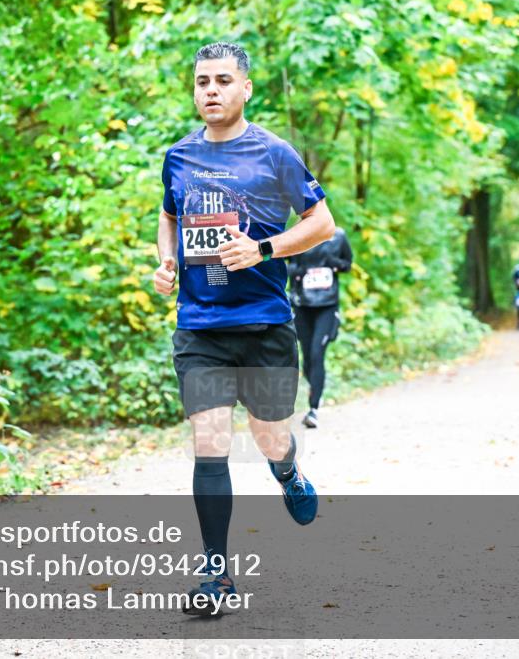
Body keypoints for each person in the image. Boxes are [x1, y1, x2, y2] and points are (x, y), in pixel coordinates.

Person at [153, 42, 336, 616]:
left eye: (223, 81)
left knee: (268, 437)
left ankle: (288, 470)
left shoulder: (275, 154)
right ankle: (215, 576)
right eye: (202, 80)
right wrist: (165, 262)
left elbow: (322, 224)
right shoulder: (178, 157)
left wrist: (262, 249)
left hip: (264, 325)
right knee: (210, 444)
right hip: (201, 327)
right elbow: (169, 216)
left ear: (245, 89)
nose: (211, 90)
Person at [286, 226, 353, 428]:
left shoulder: (338, 236)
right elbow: (287, 266)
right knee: (307, 358)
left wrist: (335, 265)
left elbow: (347, 264)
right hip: (302, 305)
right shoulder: (296, 234)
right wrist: (300, 271)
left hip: (327, 305)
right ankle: (316, 386)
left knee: (317, 353)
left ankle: (313, 408)